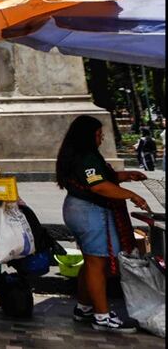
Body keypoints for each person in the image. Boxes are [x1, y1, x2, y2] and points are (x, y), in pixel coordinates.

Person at [56, 115, 149, 333]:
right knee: (99, 265)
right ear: (86, 136)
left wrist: (124, 176)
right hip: (90, 211)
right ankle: (103, 316)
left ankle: (84, 307)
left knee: (90, 263)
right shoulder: (86, 156)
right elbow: (99, 186)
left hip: (78, 208)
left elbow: (101, 178)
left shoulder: (82, 156)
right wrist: (132, 196)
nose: (101, 138)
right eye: (98, 134)